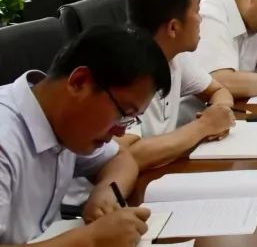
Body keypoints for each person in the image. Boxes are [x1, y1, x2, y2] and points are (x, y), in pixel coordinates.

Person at [0, 26, 171, 245]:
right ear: (79, 82)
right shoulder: (5, 138)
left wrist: (105, 193)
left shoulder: (65, 124)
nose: (121, 131)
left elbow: (121, 158)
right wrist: (91, 238)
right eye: (123, 113)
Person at [119, 0, 236, 169]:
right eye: (197, 11)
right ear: (173, 27)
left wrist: (219, 112)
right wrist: (204, 126)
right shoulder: (123, 69)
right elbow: (126, 156)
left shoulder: (175, 55)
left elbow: (218, 90)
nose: (201, 18)